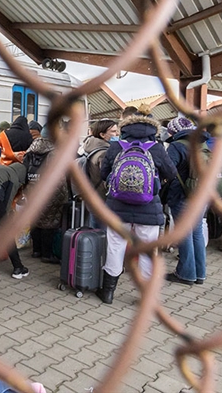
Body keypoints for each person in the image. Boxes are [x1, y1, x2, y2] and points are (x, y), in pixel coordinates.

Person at [96, 110, 176, 304]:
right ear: (152, 130)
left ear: (125, 129)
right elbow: (171, 173)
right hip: (149, 208)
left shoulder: (116, 147)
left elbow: (103, 173)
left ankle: (108, 293)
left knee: (115, 246)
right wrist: (155, 184)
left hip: (117, 208)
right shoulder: (156, 148)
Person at [163, 116, 207, 285]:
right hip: (202, 194)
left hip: (183, 195)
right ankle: (200, 273)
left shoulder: (176, 146)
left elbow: (168, 169)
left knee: (184, 233)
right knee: (197, 234)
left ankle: (186, 274)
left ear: (174, 132)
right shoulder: (202, 142)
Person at [24, 125, 70, 263]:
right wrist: (64, 196)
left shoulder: (31, 148)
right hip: (49, 191)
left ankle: (36, 250)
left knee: (35, 218)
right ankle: (47, 254)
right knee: (49, 222)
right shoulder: (55, 152)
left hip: (32, 189)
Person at [77, 119, 118, 227]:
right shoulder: (104, 153)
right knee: (103, 234)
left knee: (94, 231)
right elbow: (106, 177)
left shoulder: (88, 148)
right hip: (103, 199)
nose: (117, 134)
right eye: (113, 131)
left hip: (92, 196)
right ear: (102, 134)